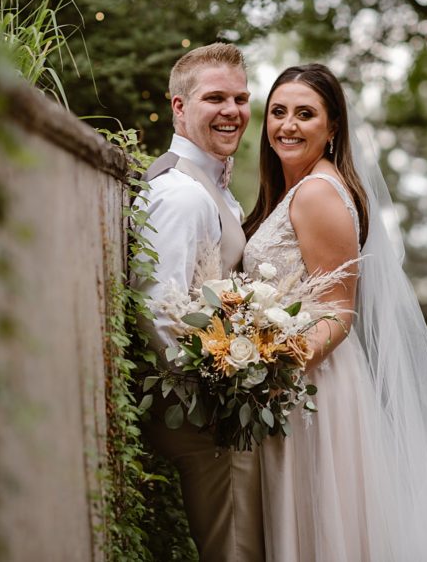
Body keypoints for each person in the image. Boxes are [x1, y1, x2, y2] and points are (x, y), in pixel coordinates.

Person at [242, 63, 427, 561]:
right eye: (278, 111)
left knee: (319, 530)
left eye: (305, 114)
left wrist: (269, 370)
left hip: (310, 385)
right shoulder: (300, 188)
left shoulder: (315, 193)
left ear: (332, 128)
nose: (287, 125)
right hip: (304, 379)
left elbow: (337, 312)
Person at [133, 42, 265, 561]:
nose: (232, 111)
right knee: (234, 549)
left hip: (216, 413)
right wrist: (214, 399)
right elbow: (158, 310)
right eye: (216, 98)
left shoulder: (209, 186)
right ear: (180, 107)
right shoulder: (183, 196)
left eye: (240, 98)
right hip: (205, 421)